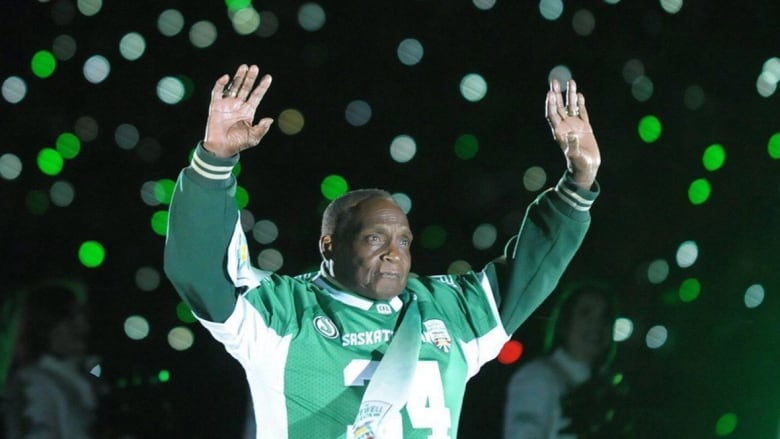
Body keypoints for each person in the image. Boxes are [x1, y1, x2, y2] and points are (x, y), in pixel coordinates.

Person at [164, 64, 601, 438]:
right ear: (329, 246)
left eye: (404, 241)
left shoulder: (449, 311)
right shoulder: (283, 313)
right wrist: (214, 161)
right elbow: (202, 271)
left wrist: (578, 180)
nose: (395, 253)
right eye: (375, 238)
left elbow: (530, 268)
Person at [502, 281, 632, 439]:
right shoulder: (537, 377)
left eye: (605, 316)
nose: (596, 324)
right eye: (586, 313)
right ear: (565, 322)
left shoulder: (609, 389)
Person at [2, 282, 107, 438]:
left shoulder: (84, 376)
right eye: (69, 319)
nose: (83, 326)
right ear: (45, 326)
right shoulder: (36, 383)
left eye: (83, 316)